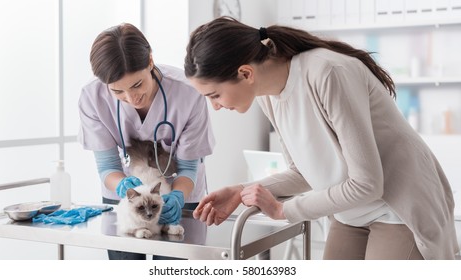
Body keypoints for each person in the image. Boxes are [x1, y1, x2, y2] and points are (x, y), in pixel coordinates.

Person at [184, 17, 458, 260]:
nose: (215, 107)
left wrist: (284, 210)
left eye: (214, 96)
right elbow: (303, 173)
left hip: (399, 208)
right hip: (352, 211)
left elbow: (367, 184)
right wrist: (241, 190)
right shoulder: (268, 97)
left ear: (246, 73)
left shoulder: (327, 73)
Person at [78, 23, 215, 260]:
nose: (132, 98)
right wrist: (123, 186)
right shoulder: (92, 98)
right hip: (126, 200)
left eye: (137, 84)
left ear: (150, 61)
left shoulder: (188, 92)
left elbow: (189, 168)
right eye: (117, 92)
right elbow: (107, 166)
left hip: (180, 194)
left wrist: (177, 196)